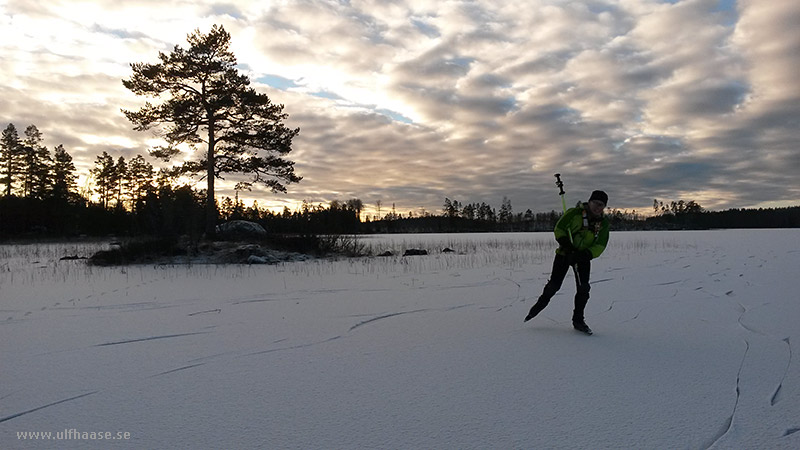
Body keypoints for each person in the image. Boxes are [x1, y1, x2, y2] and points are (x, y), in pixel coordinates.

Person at [524, 190, 610, 334]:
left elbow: (601, 244)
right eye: (595, 203)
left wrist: (586, 254)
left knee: (583, 289)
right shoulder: (574, 213)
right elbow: (559, 229)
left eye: (601, 205)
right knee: (554, 285)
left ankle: (578, 321)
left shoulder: (603, 224)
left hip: (583, 258)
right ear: (589, 202)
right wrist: (566, 245)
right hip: (565, 254)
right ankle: (538, 306)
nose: (597, 207)